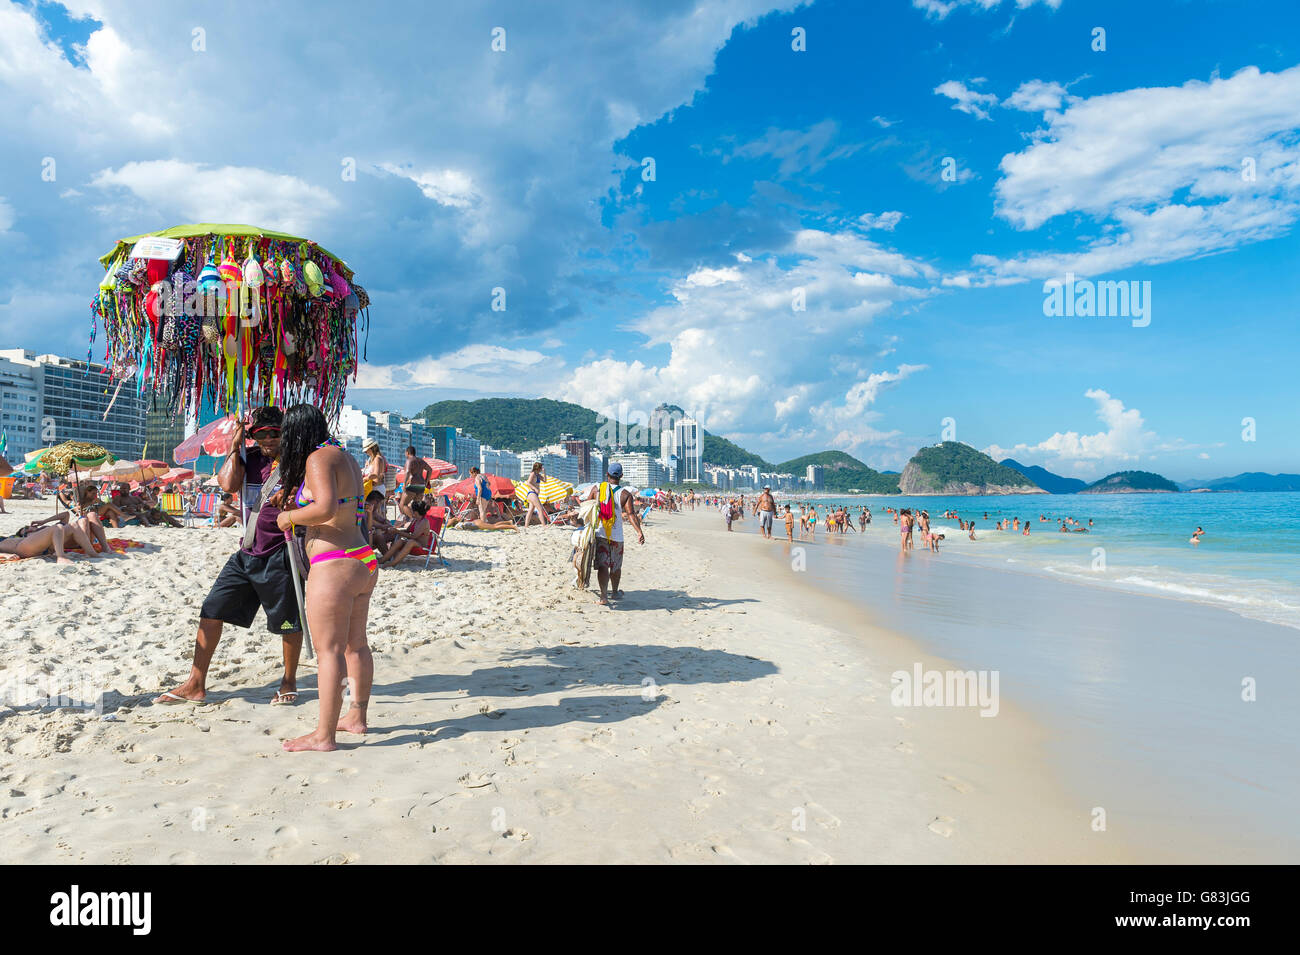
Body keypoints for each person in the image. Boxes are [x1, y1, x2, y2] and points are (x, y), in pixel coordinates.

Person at [153, 406, 304, 707]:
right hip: (248, 550)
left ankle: (289, 681)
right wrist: (236, 445)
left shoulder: (297, 462)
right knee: (212, 609)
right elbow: (227, 484)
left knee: (288, 621)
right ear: (253, 435)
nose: (270, 438)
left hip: (281, 550)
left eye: (276, 432)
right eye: (262, 433)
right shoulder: (249, 459)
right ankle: (196, 683)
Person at [275, 403, 377, 752]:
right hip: (362, 558)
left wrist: (289, 516)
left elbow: (326, 508)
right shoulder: (344, 456)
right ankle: (357, 716)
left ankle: (324, 735)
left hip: (335, 564)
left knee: (328, 651)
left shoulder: (317, 459)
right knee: (356, 644)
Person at [583, 461, 645, 606]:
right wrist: (639, 532)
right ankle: (615, 592)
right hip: (617, 536)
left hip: (600, 533)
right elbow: (631, 514)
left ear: (607, 474)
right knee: (615, 566)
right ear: (621, 476)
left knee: (603, 565)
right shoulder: (625, 494)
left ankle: (604, 597)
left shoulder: (597, 488)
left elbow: (586, 508)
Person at [378, 498, 432, 567]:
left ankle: (393, 563)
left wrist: (397, 531)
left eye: (411, 510)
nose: (410, 511)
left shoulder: (424, 522)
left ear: (415, 512)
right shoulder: (415, 520)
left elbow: (413, 536)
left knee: (411, 541)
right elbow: (407, 530)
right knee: (399, 541)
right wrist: (395, 530)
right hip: (412, 542)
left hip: (421, 545)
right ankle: (383, 559)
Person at [398, 446, 431, 520]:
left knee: (403, 504)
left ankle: (413, 519)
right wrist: (426, 481)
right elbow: (430, 470)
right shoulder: (421, 461)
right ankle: (419, 521)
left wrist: (404, 484)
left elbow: (407, 472)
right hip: (421, 486)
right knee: (416, 506)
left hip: (413, 485)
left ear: (407, 453)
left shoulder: (409, 460)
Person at [523, 461, 549, 528]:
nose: (541, 469)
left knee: (531, 510)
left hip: (534, 494)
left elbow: (545, 480)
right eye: (541, 468)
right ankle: (544, 525)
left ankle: (526, 526)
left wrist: (544, 472)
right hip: (532, 493)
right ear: (538, 468)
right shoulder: (533, 474)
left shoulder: (538, 475)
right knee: (540, 508)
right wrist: (535, 488)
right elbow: (528, 483)